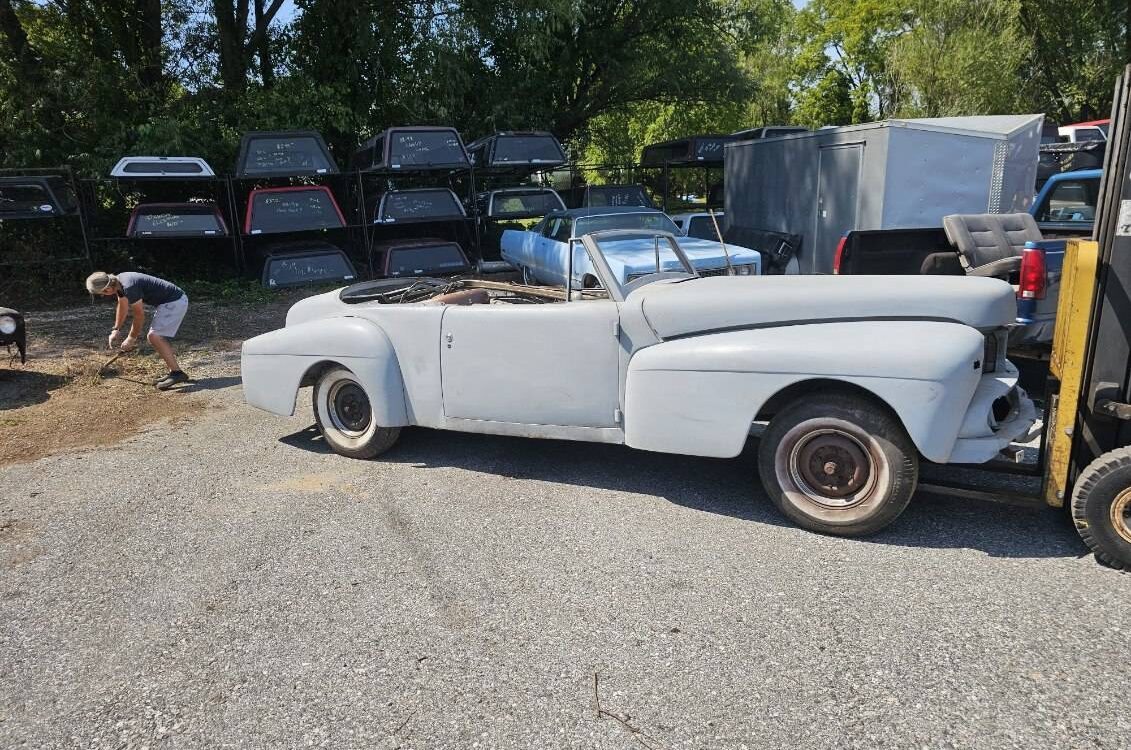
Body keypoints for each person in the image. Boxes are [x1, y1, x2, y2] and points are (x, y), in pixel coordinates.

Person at [85, 271, 190, 390]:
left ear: (108, 289)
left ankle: (177, 373)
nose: (103, 296)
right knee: (154, 337)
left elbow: (139, 316)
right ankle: (174, 372)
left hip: (175, 301)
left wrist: (131, 338)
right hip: (168, 302)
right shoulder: (119, 282)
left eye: (102, 294)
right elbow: (123, 305)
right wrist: (116, 329)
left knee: (155, 336)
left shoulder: (130, 287)